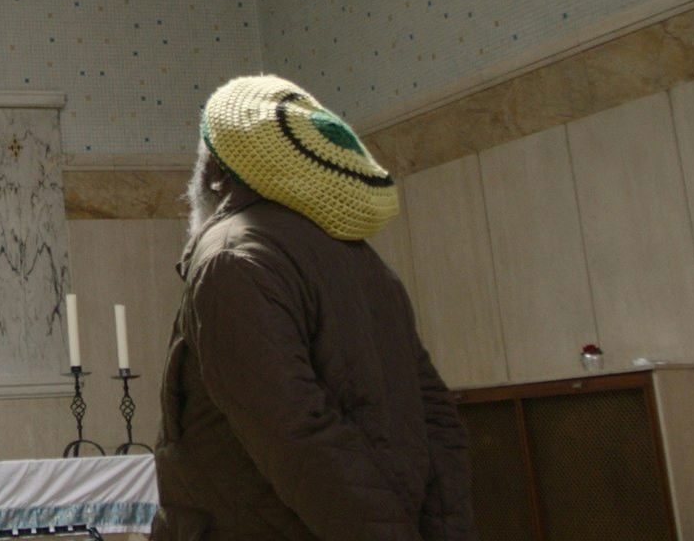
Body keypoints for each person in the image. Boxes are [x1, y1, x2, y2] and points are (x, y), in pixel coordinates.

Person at [152, 75, 472, 541]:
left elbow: (297, 438)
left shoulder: (231, 258)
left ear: (214, 170)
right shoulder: (363, 261)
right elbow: (438, 422)